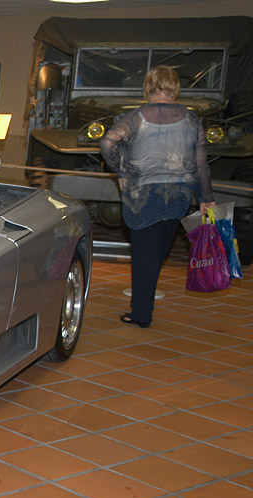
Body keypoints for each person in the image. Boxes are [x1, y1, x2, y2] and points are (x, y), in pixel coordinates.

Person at [100, 65, 214, 328]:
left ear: (149, 87)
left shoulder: (135, 118)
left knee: (145, 254)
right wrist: (206, 197)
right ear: (174, 88)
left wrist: (121, 170)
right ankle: (144, 304)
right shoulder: (192, 119)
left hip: (143, 194)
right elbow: (201, 164)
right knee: (158, 251)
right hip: (178, 194)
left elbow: (107, 143)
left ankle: (141, 313)